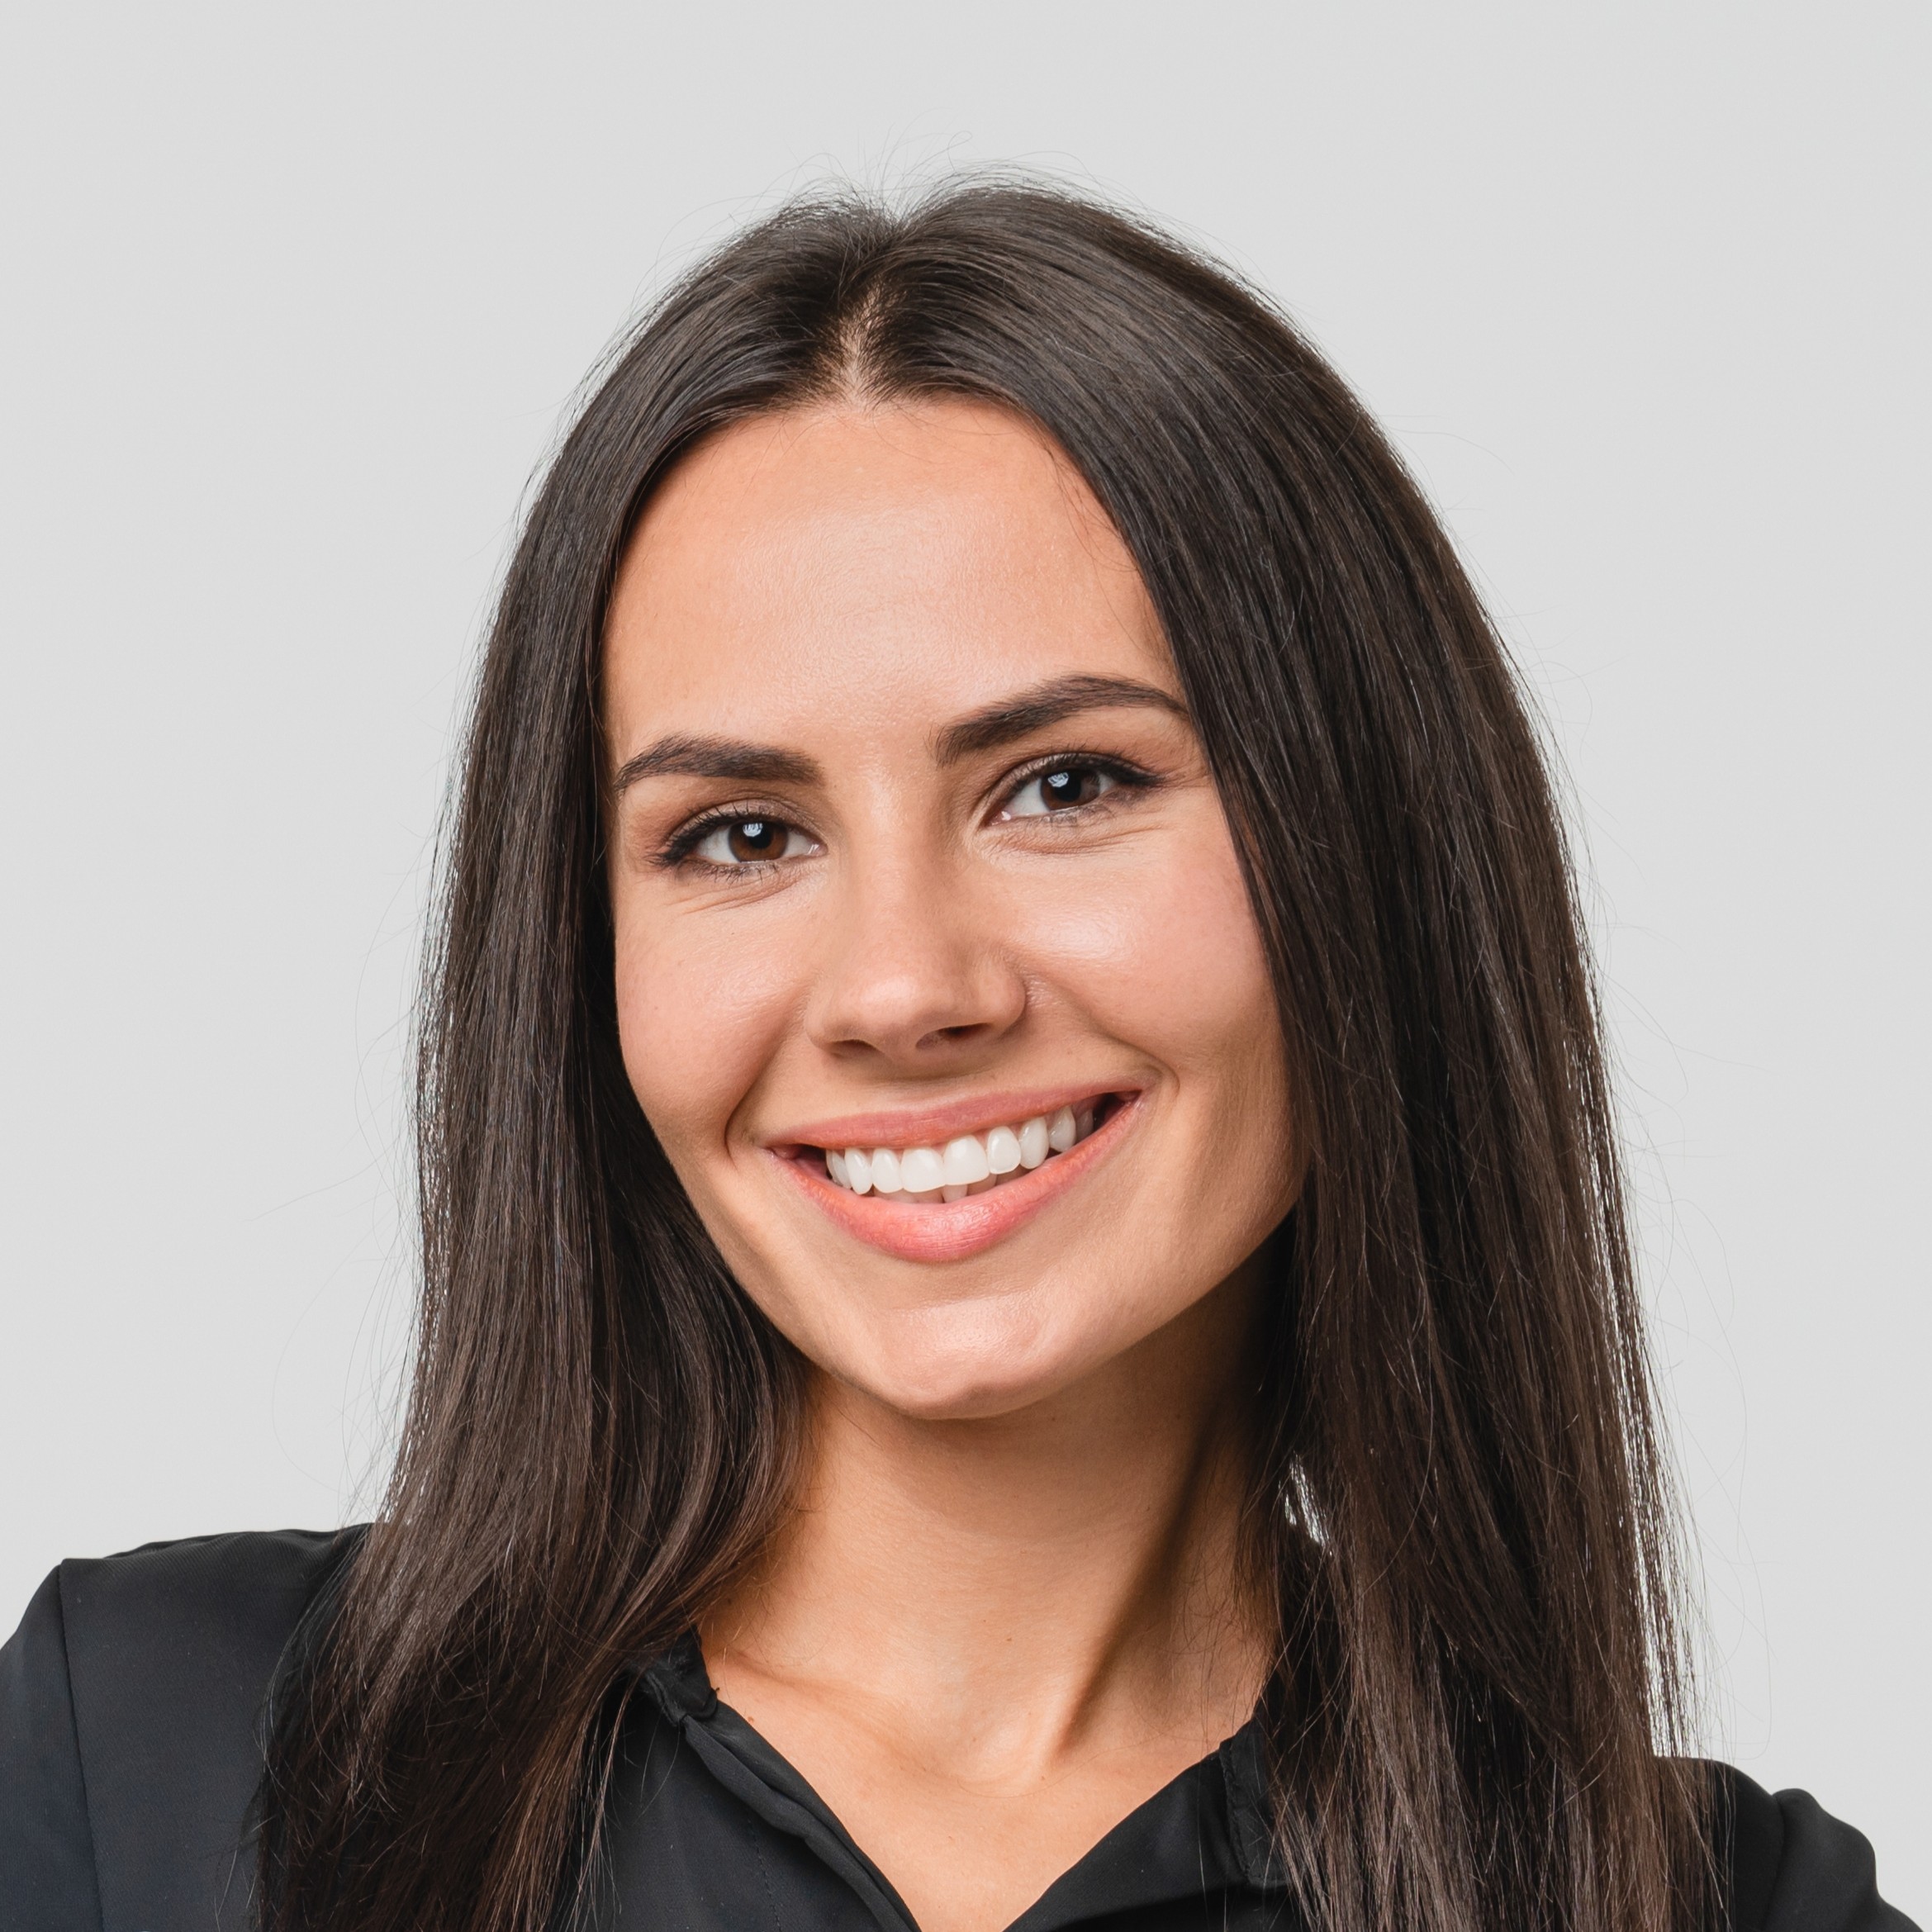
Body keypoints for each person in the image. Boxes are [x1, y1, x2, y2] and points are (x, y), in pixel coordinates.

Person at [0, 182, 1914, 1932]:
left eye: (1066, 786)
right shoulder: (157, 1754)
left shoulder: (1722, 1909)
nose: (904, 989)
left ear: (1368, 855)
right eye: (742, 835)